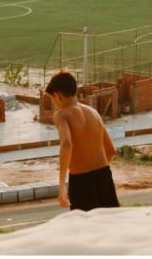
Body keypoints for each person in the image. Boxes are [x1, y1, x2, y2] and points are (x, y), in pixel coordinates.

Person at [46, 71, 119, 211]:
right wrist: (98, 174)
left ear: (57, 95)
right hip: (104, 176)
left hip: (81, 181)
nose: (54, 104)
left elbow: (67, 144)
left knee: (84, 224)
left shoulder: (61, 115)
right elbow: (111, 150)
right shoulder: (93, 112)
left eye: (52, 99)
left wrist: (62, 184)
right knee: (110, 222)